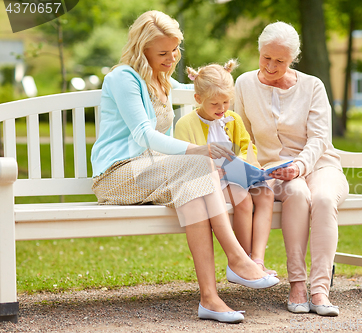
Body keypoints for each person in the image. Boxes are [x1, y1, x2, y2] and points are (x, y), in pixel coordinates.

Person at [90, 10, 278, 324]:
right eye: (163, 52)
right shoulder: (123, 78)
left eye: (175, 49)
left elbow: (191, 106)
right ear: (142, 49)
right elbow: (145, 136)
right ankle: (237, 259)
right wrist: (198, 150)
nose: (172, 57)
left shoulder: (161, 79)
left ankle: (210, 299)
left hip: (153, 172)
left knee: (195, 186)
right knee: (198, 165)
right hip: (117, 174)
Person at [234, 21, 349, 317]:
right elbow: (241, 135)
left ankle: (320, 289)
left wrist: (299, 165)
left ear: (292, 59)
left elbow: (320, 138)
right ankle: (297, 284)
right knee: (298, 194)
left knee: (323, 199)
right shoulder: (245, 84)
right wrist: (251, 170)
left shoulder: (312, 86)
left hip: (320, 164)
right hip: (274, 171)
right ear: (259, 51)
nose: (271, 67)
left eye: (280, 61)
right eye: (266, 58)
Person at [174, 60, 276, 275]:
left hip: (238, 176)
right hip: (209, 183)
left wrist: (244, 166)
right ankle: (242, 261)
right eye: (214, 104)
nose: (221, 109)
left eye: (226, 102)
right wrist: (212, 169)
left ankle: (257, 259)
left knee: (266, 193)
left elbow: (247, 148)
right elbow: (182, 159)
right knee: (243, 199)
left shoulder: (233, 120)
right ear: (198, 99)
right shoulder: (186, 124)